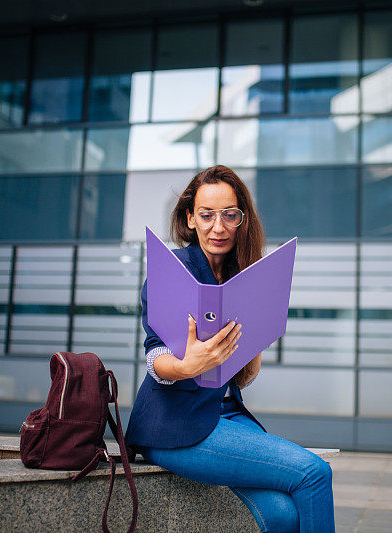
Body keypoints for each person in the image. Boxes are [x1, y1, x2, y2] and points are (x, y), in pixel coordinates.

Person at [124, 165, 335, 533]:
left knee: (283, 514)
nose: (218, 227)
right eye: (206, 215)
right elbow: (154, 355)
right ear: (190, 218)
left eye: (229, 215)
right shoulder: (173, 268)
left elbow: (243, 376)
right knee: (314, 473)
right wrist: (188, 365)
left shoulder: (245, 276)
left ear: (242, 220)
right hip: (175, 425)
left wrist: (255, 337)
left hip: (226, 415)